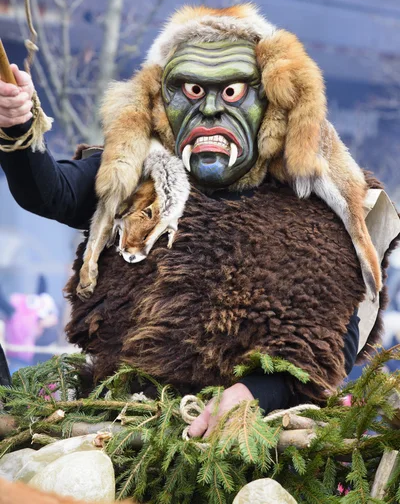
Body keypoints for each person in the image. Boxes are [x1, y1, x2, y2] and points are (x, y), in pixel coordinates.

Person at [0, 46, 360, 438]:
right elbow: (49, 191)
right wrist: (19, 124)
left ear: (272, 107)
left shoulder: (310, 207)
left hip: (245, 444)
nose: (208, 111)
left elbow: (331, 340)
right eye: (191, 90)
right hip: (117, 424)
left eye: (231, 93)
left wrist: (254, 394)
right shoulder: (139, 173)